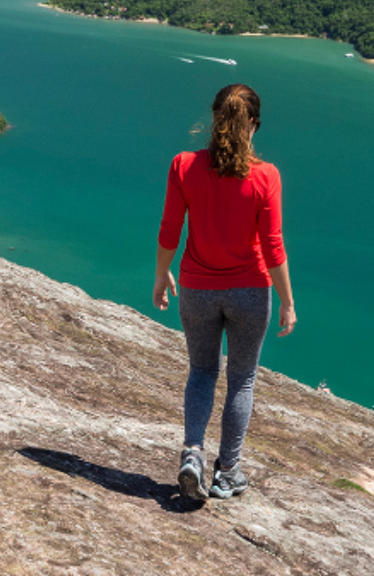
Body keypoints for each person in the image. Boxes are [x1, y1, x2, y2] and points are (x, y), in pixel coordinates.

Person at [154, 83, 297, 501]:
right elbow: (273, 247)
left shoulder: (184, 166)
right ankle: (228, 472)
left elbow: (169, 229)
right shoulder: (266, 176)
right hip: (251, 291)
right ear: (253, 125)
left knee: (201, 372)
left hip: (198, 287)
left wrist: (161, 275)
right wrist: (287, 301)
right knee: (242, 379)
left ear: (215, 118)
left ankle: (193, 456)